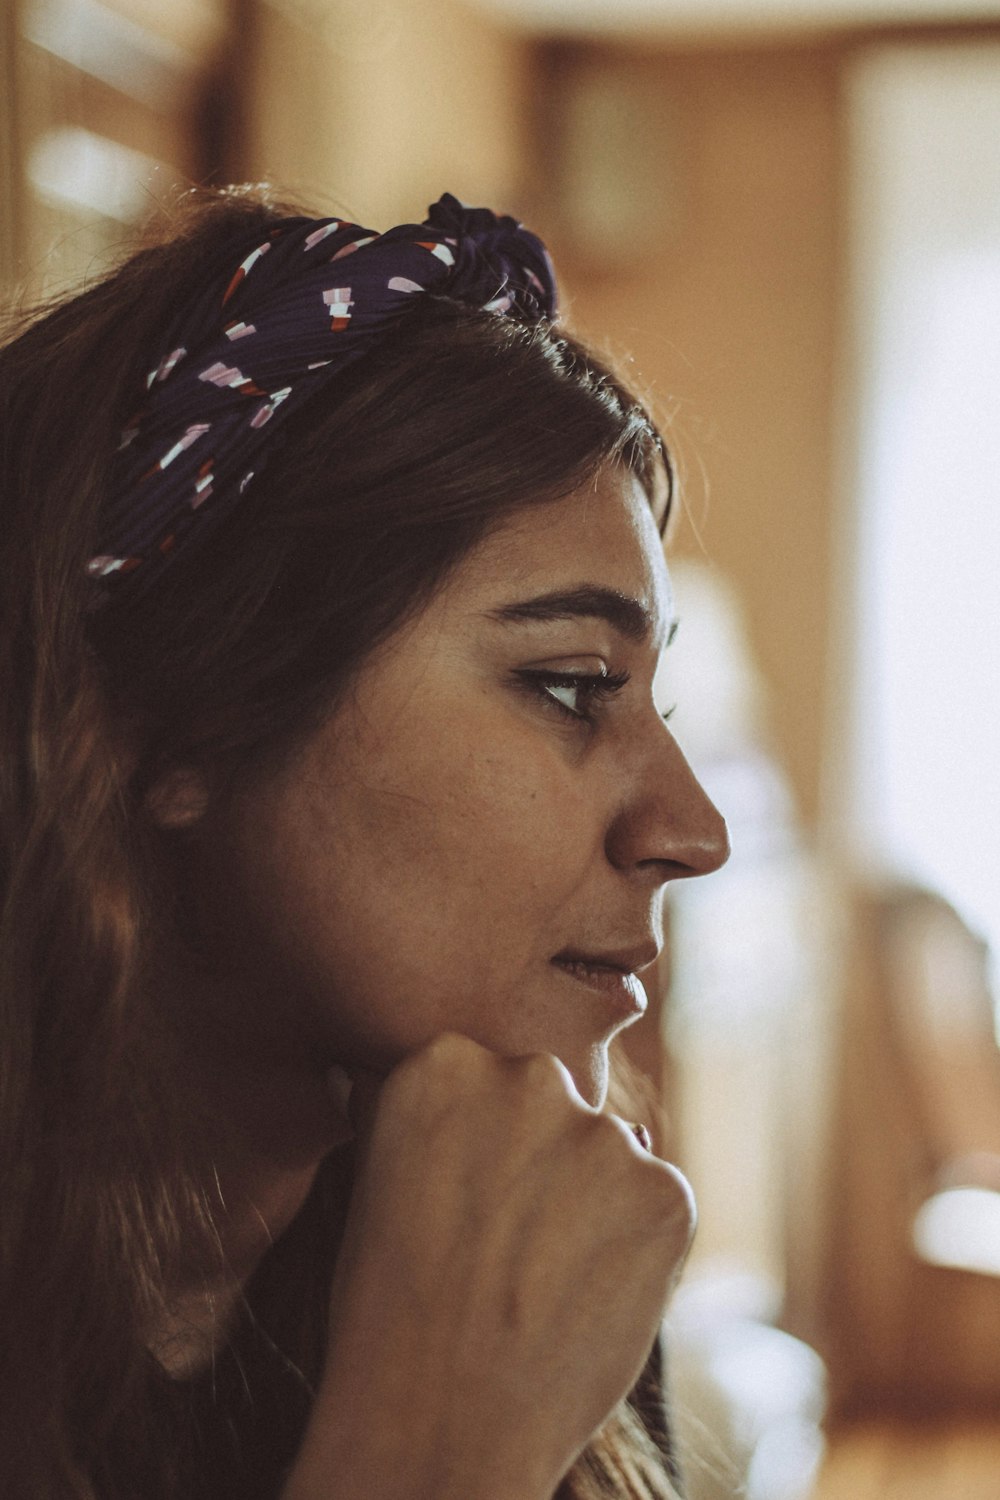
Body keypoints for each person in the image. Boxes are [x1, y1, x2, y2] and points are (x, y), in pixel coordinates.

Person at [0, 186, 729, 1500]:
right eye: (570, 685)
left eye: (656, 698)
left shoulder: (529, 1244)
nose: (692, 831)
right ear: (183, 725)